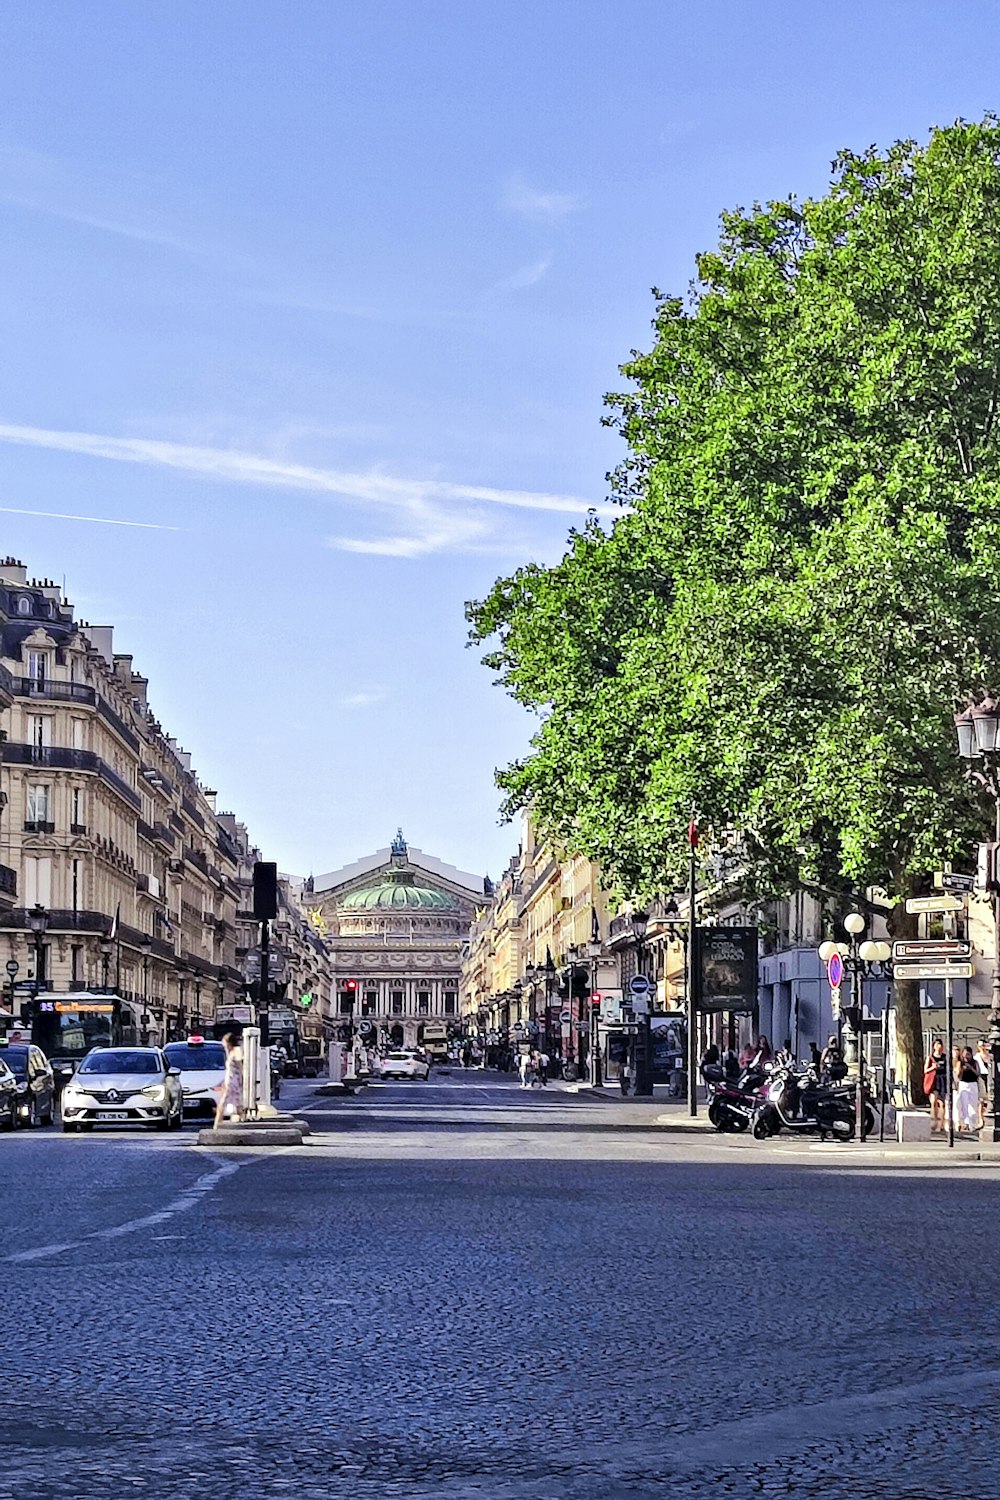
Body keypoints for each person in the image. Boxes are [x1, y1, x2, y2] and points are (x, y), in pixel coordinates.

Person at [214, 1031, 244, 1129]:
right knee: (236, 1103)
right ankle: (242, 1121)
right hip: (230, 1081)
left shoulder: (236, 1051)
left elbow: (240, 1067)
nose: (223, 1044)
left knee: (222, 1103)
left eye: (224, 1042)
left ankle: (217, 1124)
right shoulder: (230, 1052)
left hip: (233, 1082)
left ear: (229, 1042)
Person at [955, 1046, 981, 1134]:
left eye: (968, 1054)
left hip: (973, 1084)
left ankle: (972, 1123)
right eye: (965, 1054)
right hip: (963, 1084)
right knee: (964, 1104)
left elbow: (978, 1073)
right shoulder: (960, 1063)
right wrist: (961, 1070)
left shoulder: (975, 1062)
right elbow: (958, 1076)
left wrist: (970, 1068)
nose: (967, 1056)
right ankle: (966, 1123)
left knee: (973, 1105)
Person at [925, 1039, 947, 1133]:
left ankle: (941, 1124)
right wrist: (933, 1067)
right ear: (934, 1046)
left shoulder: (945, 1057)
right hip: (934, 1080)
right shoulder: (930, 1058)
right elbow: (925, 1070)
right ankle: (933, 1119)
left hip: (943, 1080)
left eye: (940, 1045)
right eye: (937, 1045)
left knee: (942, 1103)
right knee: (934, 1100)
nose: (939, 1047)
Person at [976, 1039, 992, 1130]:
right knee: (981, 1100)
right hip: (981, 1076)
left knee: (990, 1099)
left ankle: (988, 1117)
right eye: (980, 1045)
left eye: (983, 1045)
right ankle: (980, 1119)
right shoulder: (977, 1056)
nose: (982, 1047)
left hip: (989, 1076)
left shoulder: (990, 1056)